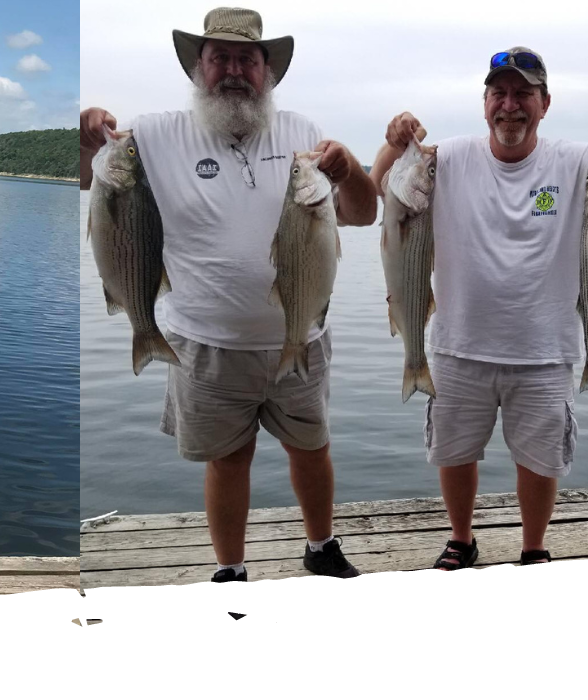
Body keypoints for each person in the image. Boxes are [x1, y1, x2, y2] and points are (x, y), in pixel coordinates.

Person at [77, 8, 377, 583]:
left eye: (247, 59)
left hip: (302, 334)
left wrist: (351, 175)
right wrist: (83, 134)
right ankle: (231, 569)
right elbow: (94, 179)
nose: (234, 71)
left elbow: (363, 215)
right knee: (227, 459)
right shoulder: (153, 133)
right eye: (220, 59)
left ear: (268, 71)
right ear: (198, 68)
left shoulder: (302, 132)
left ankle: (321, 546)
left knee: (312, 449)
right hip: (203, 342)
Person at [370, 48, 588, 570]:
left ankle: (534, 547)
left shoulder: (575, 161)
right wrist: (391, 147)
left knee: (540, 458)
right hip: (457, 344)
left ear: (545, 104)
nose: (510, 106)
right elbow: (381, 193)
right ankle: (461, 538)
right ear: (484, 105)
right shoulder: (448, 158)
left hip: (545, 349)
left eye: (523, 94)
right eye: (499, 94)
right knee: (454, 452)